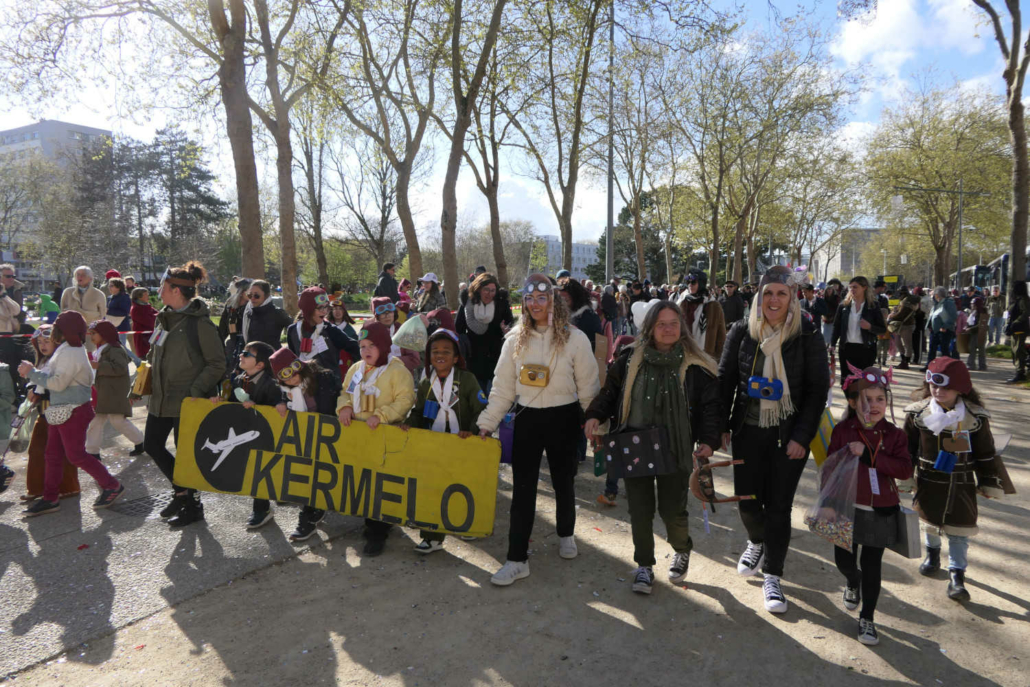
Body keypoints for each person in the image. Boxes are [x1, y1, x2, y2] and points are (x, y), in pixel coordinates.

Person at [584, 302, 722, 594]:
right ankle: (644, 565)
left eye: (673, 323)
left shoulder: (698, 366)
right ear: (649, 327)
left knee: (673, 510)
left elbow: (711, 407)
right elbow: (610, 391)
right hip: (635, 445)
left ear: (682, 327)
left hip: (675, 447)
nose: (668, 329)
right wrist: (595, 414)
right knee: (640, 510)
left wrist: (709, 441)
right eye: (661, 324)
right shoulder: (629, 358)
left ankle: (681, 549)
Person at [718, 265, 830, 614]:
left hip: (788, 437)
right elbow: (725, 380)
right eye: (768, 293)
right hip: (748, 431)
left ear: (792, 297)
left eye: (782, 293)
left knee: (779, 507)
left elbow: (817, 391)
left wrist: (802, 436)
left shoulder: (808, 334)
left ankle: (773, 575)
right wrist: (719, 426)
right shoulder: (741, 331)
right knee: (748, 503)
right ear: (758, 296)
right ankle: (756, 541)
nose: (774, 300)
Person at [476, 274, 600, 587]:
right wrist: (487, 422)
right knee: (523, 489)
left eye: (542, 298)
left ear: (553, 301)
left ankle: (566, 533)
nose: (535, 304)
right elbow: (503, 388)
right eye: (529, 299)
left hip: (564, 417)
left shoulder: (575, 338)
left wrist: (595, 422)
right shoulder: (514, 339)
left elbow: (588, 385)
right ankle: (517, 559)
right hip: (527, 418)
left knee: (563, 481)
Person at [904, 358, 1007, 602]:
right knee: (929, 522)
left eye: (945, 387)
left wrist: (989, 480)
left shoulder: (975, 419)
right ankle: (932, 555)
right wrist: (905, 476)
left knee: (960, 530)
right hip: (928, 481)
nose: (938, 391)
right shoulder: (917, 414)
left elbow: (985, 452)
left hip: (961, 485)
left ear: (960, 388)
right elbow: (907, 449)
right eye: (934, 385)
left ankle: (957, 574)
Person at [825, 365, 913, 646]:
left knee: (872, 564)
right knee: (844, 561)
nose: (874, 406)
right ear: (853, 403)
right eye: (866, 399)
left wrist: (870, 455)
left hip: (880, 511)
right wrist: (827, 503)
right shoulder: (842, 430)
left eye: (880, 399)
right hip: (845, 508)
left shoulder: (895, 435)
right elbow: (830, 469)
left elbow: (905, 470)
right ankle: (853, 581)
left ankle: (868, 618)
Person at [143, 262, 226, 527]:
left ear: (176, 291)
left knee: (186, 456)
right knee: (151, 445)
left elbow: (217, 364)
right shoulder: (163, 318)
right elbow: (154, 352)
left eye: (162, 287)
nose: (158, 291)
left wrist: (195, 391)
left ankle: (193, 506)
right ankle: (181, 492)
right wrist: (141, 382)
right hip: (161, 397)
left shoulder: (199, 324)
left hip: (188, 401)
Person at [19, 312, 125, 516]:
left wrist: (31, 372)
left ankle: (112, 485)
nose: (53, 332)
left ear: (64, 330)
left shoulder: (72, 352)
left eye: (57, 328)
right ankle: (50, 498)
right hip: (62, 410)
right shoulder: (68, 349)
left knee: (76, 455)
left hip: (73, 410)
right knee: (52, 455)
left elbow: (58, 383)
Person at [401, 329, 486, 553]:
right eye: (435, 351)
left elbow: (481, 410)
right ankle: (432, 537)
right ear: (429, 356)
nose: (440, 355)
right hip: (434, 444)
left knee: (462, 485)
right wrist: (409, 423)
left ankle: (465, 524)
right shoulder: (426, 383)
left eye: (446, 352)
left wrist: (471, 431)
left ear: (456, 357)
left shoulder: (467, 380)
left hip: (462, 443)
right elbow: (419, 411)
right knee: (432, 488)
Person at [337, 322, 416, 556]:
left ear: (383, 346)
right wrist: (344, 407)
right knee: (364, 480)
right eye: (362, 346)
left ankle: (377, 532)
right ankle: (373, 522)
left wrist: (381, 415)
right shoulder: (356, 369)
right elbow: (346, 392)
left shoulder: (397, 371)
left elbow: (405, 400)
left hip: (385, 436)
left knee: (381, 483)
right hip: (360, 435)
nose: (366, 351)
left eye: (372, 345)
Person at [267, 347, 341, 540]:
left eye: (294, 373)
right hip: (302, 438)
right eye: (285, 378)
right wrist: (280, 402)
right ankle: (309, 515)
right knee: (305, 477)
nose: (292, 380)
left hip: (327, 435)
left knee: (320, 475)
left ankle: (312, 512)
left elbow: (333, 403)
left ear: (300, 367)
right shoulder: (284, 391)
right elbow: (274, 398)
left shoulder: (323, 378)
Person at [19, 326, 80, 501]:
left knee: (62, 452)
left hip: (61, 412)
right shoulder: (43, 361)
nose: (43, 345)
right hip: (44, 413)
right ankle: (37, 488)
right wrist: (31, 390)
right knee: (36, 451)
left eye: (47, 341)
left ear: (57, 342)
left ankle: (69, 487)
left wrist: (39, 392)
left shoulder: (61, 361)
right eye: (39, 342)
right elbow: (36, 381)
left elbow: (57, 385)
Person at [85, 320, 145, 459]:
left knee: (117, 421)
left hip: (115, 393)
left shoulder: (115, 349)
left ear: (105, 333)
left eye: (94, 333)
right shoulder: (101, 349)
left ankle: (140, 442)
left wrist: (99, 365)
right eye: (90, 333)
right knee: (96, 421)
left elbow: (120, 368)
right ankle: (92, 451)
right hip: (103, 392)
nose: (91, 336)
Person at [454, 272, 514, 395]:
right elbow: (458, 328)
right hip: (474, 357)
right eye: (486, 290)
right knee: (477, 396)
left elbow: (510, 323)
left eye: (493, 290)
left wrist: (506, 329)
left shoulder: (501, 303)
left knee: (494, 395)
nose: (489, 294)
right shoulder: (467, 303)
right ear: (478, 289)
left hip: (496, 356)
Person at [286, 287, 360, 385]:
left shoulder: (330, 330)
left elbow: (356, 349)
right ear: (308, 309)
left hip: (330, 388)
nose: (324, 312)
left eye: (326, 307)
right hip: (305, 386)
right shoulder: (293, 331)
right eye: (320, 307)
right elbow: (292, 359)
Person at [831, 277, 885, 388]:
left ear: (864, 287)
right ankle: (850, 399)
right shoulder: (843, 306)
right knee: (846, 382)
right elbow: (836, 327)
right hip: (846, 349)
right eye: (850, 287)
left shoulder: (873, 306)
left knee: (863, 383)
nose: (852, 290)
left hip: (866, 350)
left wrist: (870, 327)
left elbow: (882, 329)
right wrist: (832, 344)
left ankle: (861, 399)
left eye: (855, 287)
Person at [677, 269, 726, 360]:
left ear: (701, 283)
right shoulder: (682, 302)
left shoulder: (713, 305)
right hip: (684, 353)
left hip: (705, 356)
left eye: (693, 282)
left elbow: (721, 335)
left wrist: (718, 358)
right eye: (688, 282)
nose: (690, 285)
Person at [370, 297, 422, 372]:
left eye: (390, 312)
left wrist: (390, 361)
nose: (387, 316)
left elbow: (414, 360)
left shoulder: (404, 331)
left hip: (401, 376)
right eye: (383, 313)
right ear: (376, 316)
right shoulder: (370, 333)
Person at [61, 267, 106, 350]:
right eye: (78, 274)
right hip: (71, 332)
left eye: (83, 275)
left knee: (90, 354)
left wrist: (88, 317)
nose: (80, 277)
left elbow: (102, 315)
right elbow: (62, 312)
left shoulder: (99, 294)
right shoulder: (67, 292)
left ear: (90, 278)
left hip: (91, 333)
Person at [242, 280, 293, 352]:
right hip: (251, 357)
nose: (252, 298)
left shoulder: (277, 313)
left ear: (266, 295)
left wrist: (286, 351)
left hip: (272, 357)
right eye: (250, 295)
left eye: (256, 295)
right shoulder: (248, 312)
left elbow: (295, 330)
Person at [217, 278, 253, 371]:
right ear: (242, 292)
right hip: (233, 342)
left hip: (248, 343)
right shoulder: (230, 304)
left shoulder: (252, 306)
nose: (252, 294)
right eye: (249, 291)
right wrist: (219, 345)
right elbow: (223, 327)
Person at [925, 286, 958, 369]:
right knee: (932, 349)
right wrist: (929, 326)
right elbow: (932, 315)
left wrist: (945, 326)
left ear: (937, 295)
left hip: (945, 330)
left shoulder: (949, 303)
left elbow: (953, 316)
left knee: (944, 350)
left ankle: (947, 368)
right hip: (935, 330)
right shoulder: (936, 304)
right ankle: (929, 366)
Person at [887, 291, 920, 370]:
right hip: (904, 325)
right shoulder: (908, 302)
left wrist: (891, 317)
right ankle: (904, 361)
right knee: (899, 343)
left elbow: (901, 314)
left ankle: (905, 363)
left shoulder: (906, 303)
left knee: (907, 345)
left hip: (906, 325)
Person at [1004, 281, 1028, 383]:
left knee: (1018, 350)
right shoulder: (1016, 299)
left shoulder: (1023, 300)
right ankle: (1019, 371)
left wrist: (1016, 322)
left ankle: (1020, 373)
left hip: (1020, 328)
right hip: (1014, 328)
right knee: (1014, 351)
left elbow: (1025, 313)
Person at [130, 288, 158, 360]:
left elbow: (158, 315)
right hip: (143, 341)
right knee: (146, 362)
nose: (148, 296)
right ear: (139, 297)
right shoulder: (136, 309)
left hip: (152, 339)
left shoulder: (147, 306)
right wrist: (156, 317)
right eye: (146, 295)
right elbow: (150, 322)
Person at [964, 297, 989, 372]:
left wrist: (970, 329)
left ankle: (982, 366)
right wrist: (966, 327)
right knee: (972, 350)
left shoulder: (983, 312)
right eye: (971, 304)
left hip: (980, 333)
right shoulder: (972, 312)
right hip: (973, 333)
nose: (972, 305)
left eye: (973, 304)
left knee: (981, 351)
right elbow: (969, 322)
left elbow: (981, 324)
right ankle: (971, 365)